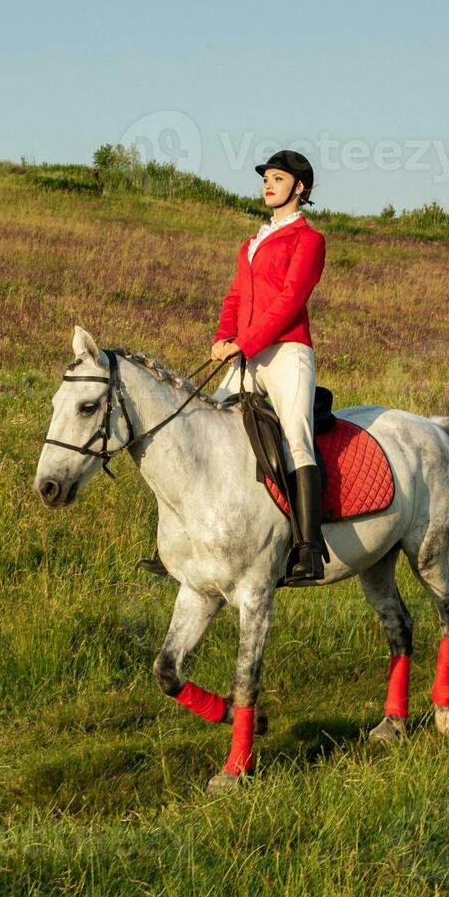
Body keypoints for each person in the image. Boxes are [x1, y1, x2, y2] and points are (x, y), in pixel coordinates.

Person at [135, 150, 329, 583]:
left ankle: (308, 550)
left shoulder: (309, 240)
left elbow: (289, 303)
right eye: (267, 178)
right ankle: (178, 544)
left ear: (299, 188)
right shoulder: (252, 243)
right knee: (200, 427)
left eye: (278, 179)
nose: (268, 184)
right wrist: (225, 336)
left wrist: (244, 342)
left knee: (298, 438)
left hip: (286, 354)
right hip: (245, 354)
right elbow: (236, 298)